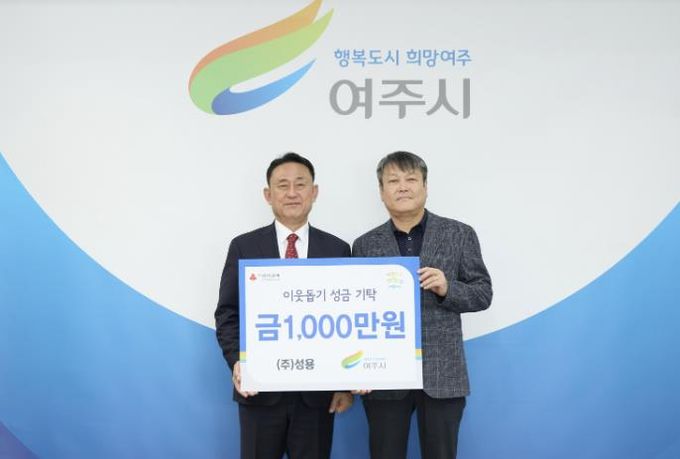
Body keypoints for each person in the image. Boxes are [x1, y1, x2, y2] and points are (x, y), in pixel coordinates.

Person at [352, 151, 492, 459]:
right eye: (393, 181)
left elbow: (483, 293)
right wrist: (358, 370)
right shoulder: (364, 245)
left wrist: (447, 288)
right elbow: (356, 312)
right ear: (381, 192)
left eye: (411, 179)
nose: (403, 187)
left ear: (425, 187)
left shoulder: (459, 234)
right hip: (384, 375)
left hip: (443, 373)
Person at [215, 152, 353, 459]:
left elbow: (348, 320)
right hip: (259, 391)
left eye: (300, 184)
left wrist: (344, 385)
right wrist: (238, 362)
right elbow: (228, 314)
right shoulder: (244, 246)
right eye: (282, 185)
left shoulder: (337, 249)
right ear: (268, 195)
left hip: (317, 397)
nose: (292, 193)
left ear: (314, 192)